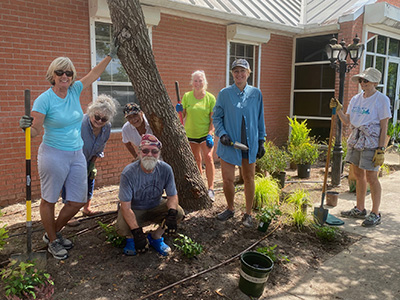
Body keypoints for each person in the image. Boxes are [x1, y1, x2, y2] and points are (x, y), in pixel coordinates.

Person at [18, 46, 118, 259]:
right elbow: (35, 131)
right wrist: (27, 126)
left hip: (76, 153)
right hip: (53, 153)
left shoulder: (75, 90)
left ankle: (52, 232)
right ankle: (54, 240)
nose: (65, 76)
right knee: (50, 199)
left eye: (69, 73)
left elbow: (94, 74)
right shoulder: (44, 100)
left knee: (78, 200)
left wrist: (110, 55)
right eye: (60, 72)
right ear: (52, 76)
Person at [330, 67, 391, 227]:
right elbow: (347, 121)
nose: (363, 83)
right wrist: (338, 109)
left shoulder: (381, 100)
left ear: (375, 82)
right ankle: (360, 208)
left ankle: (375, 213)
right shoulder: (356, 99)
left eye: (366, 80)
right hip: (356, 139)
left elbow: (384, 126)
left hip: (372, 141)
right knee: (358, 174)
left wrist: (381, 149)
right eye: (361, 80)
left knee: (372, 177)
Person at [213, 59, 266, 227]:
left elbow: (260, 119)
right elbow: (216, 117)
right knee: (228, 180)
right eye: (236, 71)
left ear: (248, 73)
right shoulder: (224, 94)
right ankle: (230, 209)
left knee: (249, 178)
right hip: (229, 144)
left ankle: (248, 214)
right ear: (232, 74)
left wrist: (261, 140)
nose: (239, 74)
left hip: (249, 145)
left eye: (242, 71)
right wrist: (222, 134)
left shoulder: (256, 94)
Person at [116, 134, 185, 256]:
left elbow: (172, 196)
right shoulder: (128, 173)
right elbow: (125, 206)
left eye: (154, 152)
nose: (149, 155)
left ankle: (156, 237)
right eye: (145, 151)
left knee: (178, 213)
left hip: (156, 204)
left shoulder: (166, 169)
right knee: (122, 227)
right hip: (135, 208)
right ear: (139, 152)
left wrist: (172, 214)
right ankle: (132, 238)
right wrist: (137, 233)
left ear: (159, 154)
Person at [66, 94, 118, 216]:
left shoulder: (107, 127)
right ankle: (68, 215)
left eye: (104, 119)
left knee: (90, 180)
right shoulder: (80, 123)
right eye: (97, 117)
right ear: (91, 112)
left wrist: (92, 163)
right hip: (73, 159)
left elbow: (101, 144)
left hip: (89, 159)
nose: (100, 121)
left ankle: (86, 208)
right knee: (71, 186)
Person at [176, 70, 216, 200]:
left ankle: (211, 189)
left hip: (205, 134)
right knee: (196, 160)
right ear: (192, 82)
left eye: (200, 80)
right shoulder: (187, 96)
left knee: (208, 157)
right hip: (191, 134)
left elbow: (213, 120)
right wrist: (180, 110)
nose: (198, 83)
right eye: (196, 80)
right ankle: (201, 185)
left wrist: (210, 133)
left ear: (204, 82)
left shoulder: (210, 98)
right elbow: (183, 115)